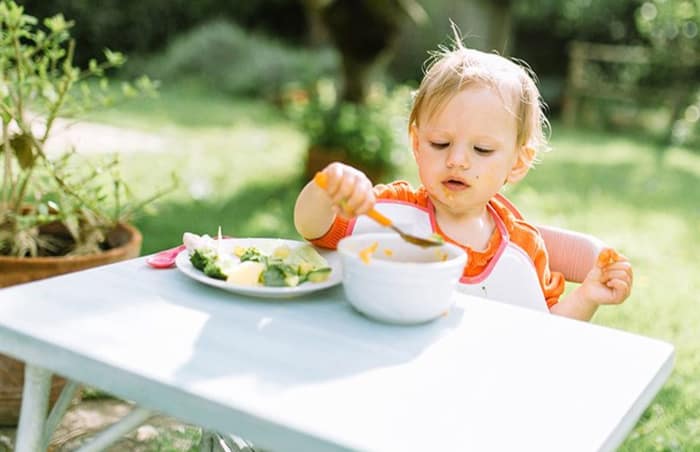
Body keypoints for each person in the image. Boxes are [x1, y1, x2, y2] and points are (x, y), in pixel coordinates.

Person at [293, 29, 633, 321]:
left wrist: (587, 297)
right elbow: (314, 227)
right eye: (440, 143)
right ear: (416, 143)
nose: (457, 160)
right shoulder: (390, 211)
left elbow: (545, 331)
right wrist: (327, 188)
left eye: (481, 150)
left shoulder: (522, 250)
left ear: (517, 163)